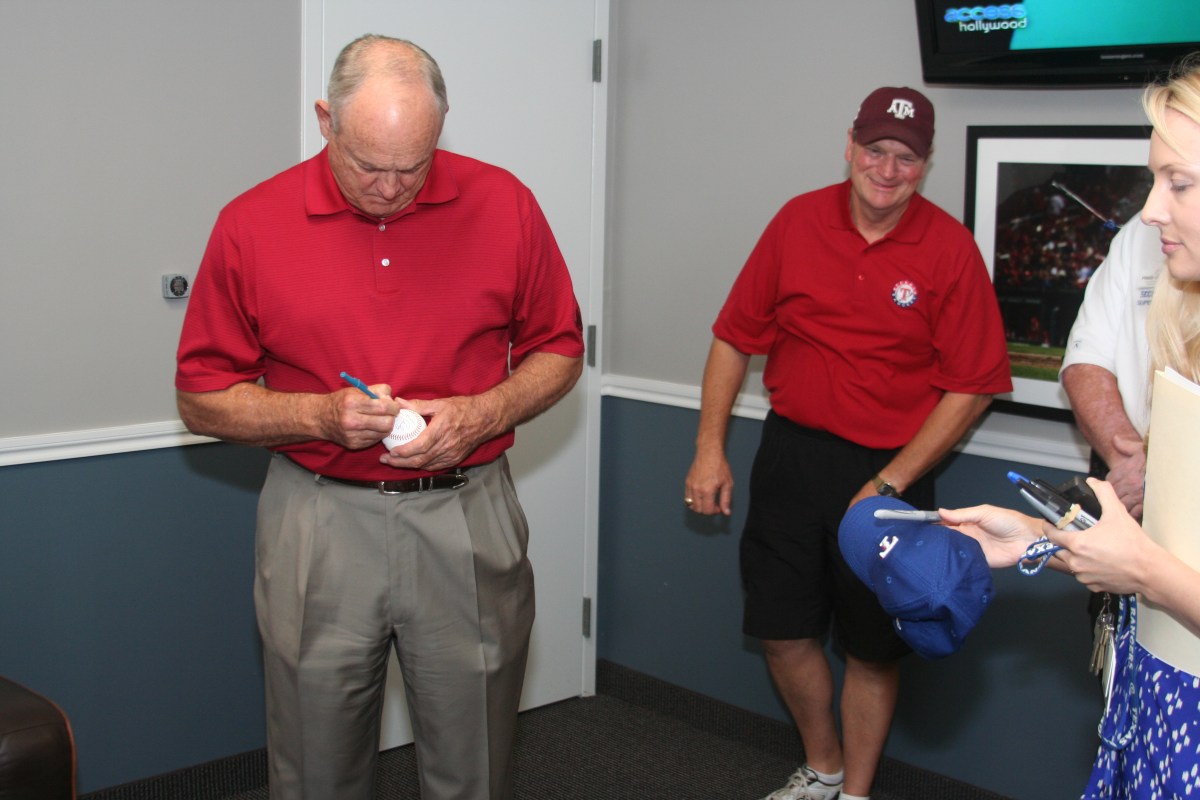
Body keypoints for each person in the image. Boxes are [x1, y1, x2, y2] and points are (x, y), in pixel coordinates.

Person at [174, 35, 584, 800]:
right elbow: (202, 395)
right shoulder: (252, 223)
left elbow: (560, 350)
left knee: (476, 763)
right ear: (325, 121)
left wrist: (486, 408)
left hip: (466, 512)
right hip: (320, 522)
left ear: (442, 127)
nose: (392, 188)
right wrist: (320, 415)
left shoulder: (505, 204)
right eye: (369, 166)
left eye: (414, 166)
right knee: (314, 764)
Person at [683, 86, 1012, 800]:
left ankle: (856, 793)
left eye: (906, 158)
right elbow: (734, 338)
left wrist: (892, 481)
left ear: (924, 165)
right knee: (780, 628)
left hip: (890, 474)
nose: (887, 169)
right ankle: (823, 766)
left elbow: (974, 385)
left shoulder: (949, 249)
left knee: (872, 646)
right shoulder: (797, 221)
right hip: (791, 456)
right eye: (875, 151)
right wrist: (710, 448)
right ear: (850, 146)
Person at [942, 55, 1200, 799]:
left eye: (1177, 182)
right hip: (1156, 699)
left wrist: (1142, 569)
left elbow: (1158, 570)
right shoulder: (1177, 327)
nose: (1150, 210)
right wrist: (1034, 542)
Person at [1061, 217, 1162, 521]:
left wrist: (1165, 470)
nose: (1151, 209)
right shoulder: (1139, 233)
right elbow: (1085, 362)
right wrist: (1129, 462)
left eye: (1180, 184)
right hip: (1125, 482)